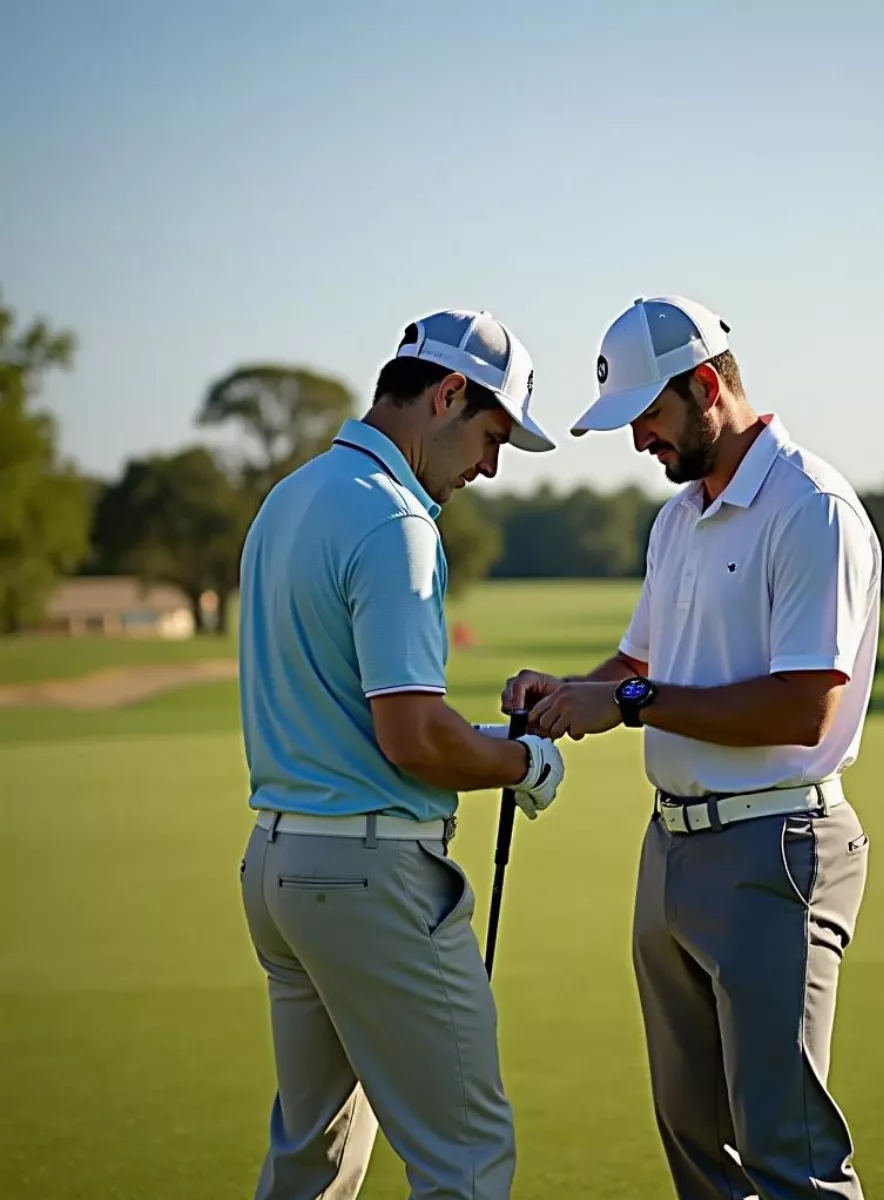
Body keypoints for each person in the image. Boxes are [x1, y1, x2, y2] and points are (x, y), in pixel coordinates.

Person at [503, 296, 882, 1200]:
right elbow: (641, 662)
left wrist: (629, 702)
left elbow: (803, 710)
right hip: (671, 847)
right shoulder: (679, 517)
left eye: (650, 418)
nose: (640, 443)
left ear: (708, 387)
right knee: (694, 1142)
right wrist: (566, 692)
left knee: (787, 1152)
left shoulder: (811, 508)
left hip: (776, 849)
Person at [237, 309, 565, 1200]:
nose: (490, 467)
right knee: (465, 1155)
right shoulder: (397, 523)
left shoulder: (291, 497)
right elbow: (412, 737)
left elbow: (361, 712)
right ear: (449, 394)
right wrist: (522, 766)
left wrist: (487, 744)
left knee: (313, 1159)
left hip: (280, 866)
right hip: (369, 876)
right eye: (491, 437)